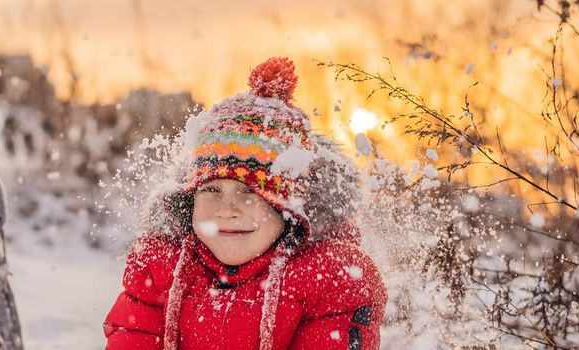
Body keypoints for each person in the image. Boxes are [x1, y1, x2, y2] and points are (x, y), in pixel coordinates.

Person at [103, 57, 386, 350]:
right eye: (211, 189)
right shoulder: (162, 269)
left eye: (250, 193)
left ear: (287, 209)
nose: (227, 210)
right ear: (189, 200)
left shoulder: (330, 278)